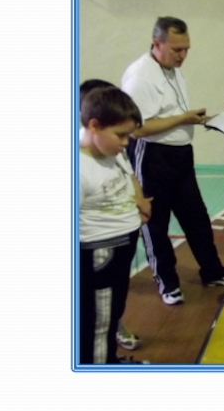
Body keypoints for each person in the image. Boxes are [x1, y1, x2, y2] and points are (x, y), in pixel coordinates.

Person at [122, 17, 224, 306]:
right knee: (155, 223)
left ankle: (212, 271)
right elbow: (138, 129)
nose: (183, 55)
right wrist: (184, 118)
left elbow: (170, 112)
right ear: (156, 44)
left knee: (197, 218)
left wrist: (200, 120)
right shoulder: (140, 77)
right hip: (153, 156)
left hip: (181, 156)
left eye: (186, 49)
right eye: (176, 50)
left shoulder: (173, 69)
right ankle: (167, 283)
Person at [79, 86, 151, 364]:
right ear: (94, 126)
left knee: (111, 313)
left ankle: (107, 358)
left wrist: (135, 205)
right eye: (120, 135)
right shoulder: (79, 168)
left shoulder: (111, 151)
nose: (126, 142)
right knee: (98, 321)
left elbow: (126, 180)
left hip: (120, 248)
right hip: (100, 255)